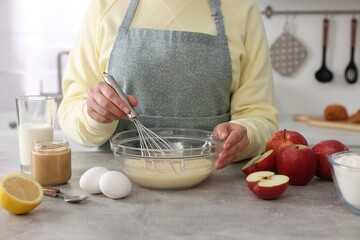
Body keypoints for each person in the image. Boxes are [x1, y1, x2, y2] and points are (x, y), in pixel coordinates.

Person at [58, 0, 278, 170]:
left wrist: (246, 136)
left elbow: (261, 117)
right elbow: (70, 109)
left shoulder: (241, 8)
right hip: (119, 189)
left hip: (216, 190)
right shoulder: (107, 5)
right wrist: (94, 117)